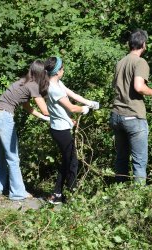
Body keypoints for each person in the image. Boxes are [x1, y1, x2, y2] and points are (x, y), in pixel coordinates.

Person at [0, 60, 50, 200]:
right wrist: (60, 116)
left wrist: (41, 117)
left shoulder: (22, 82)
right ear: (42, 73)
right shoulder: (33, 85)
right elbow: (45, 109)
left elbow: (26, 106)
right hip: (3, 117)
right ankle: (18, 193)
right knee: (13, 157)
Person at [109, 29, 152, 185]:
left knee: (121, 158)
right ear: (143, 45)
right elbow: (139, 87)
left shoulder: (120, 62)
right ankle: (138, 201)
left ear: (129, 44)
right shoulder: (140, 62)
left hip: (116, 115)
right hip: (133, 117)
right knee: (139, 162)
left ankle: (118, 194)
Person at [45, 56, 100, 204]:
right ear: (57, 72)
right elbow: (71, 107)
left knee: (66, 161)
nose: (64, 70)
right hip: (60, 131)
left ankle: (57, 194)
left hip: (62, 127)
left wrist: (90, 103)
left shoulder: (57, 83)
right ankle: (72, 197)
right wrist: (84, 109)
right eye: (62, 68)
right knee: (72, 162)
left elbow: (73, 95)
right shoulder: (54, 89)